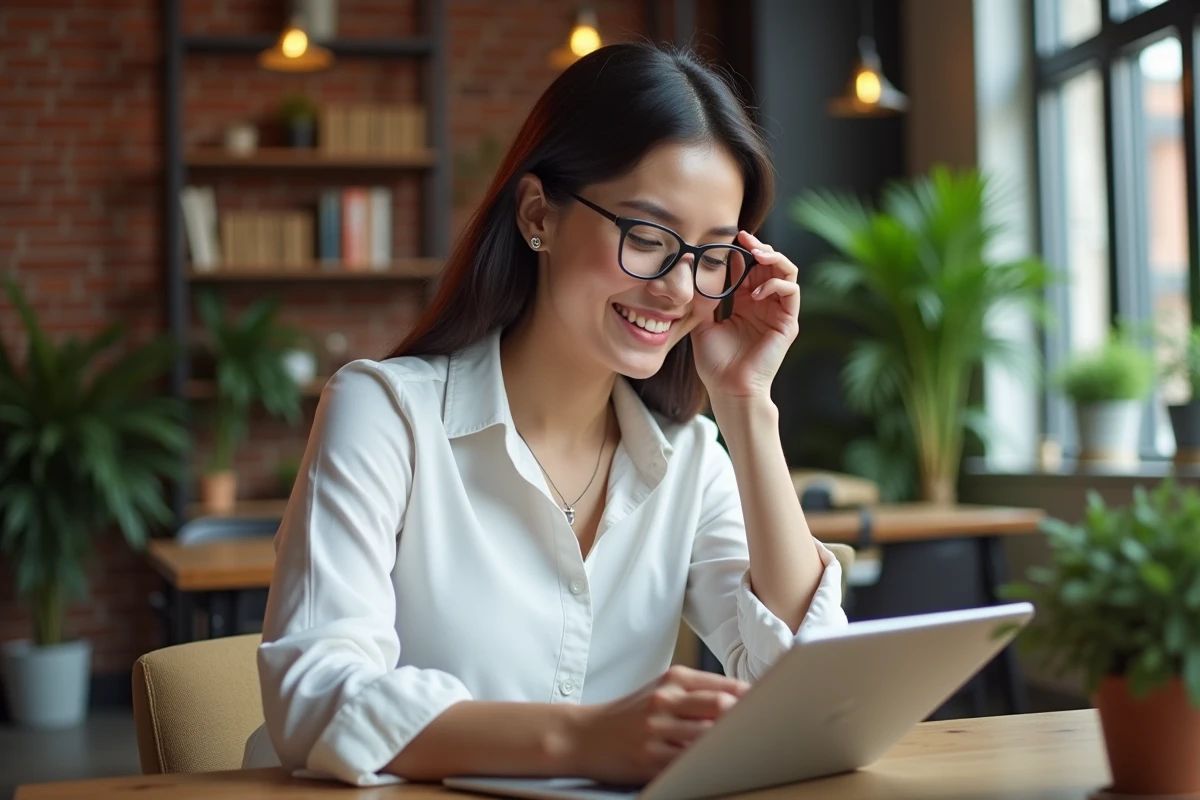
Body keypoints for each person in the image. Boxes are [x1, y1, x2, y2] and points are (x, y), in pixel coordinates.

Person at [241, 41, 848, 787]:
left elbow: (802, 686)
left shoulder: (690, 460)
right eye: (647, 238)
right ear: (539, 215)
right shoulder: (385, 413)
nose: (678, 288)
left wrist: (747, 404)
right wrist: (583, 740)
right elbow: (314, 696)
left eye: (711, 254)